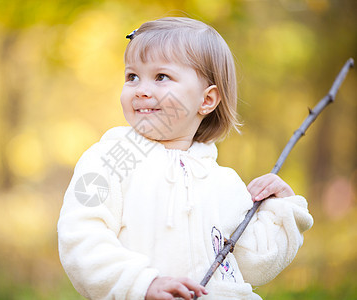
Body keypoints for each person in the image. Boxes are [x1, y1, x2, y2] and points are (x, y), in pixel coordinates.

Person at [58, 17, 313, 300]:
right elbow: (81, 238)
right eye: (132, 76)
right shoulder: (110, 160)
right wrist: (141, 284)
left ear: (206, 100)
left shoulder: (223, 182)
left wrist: (282, 209)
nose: (141, 89)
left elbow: (256, 263)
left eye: (161, 77)